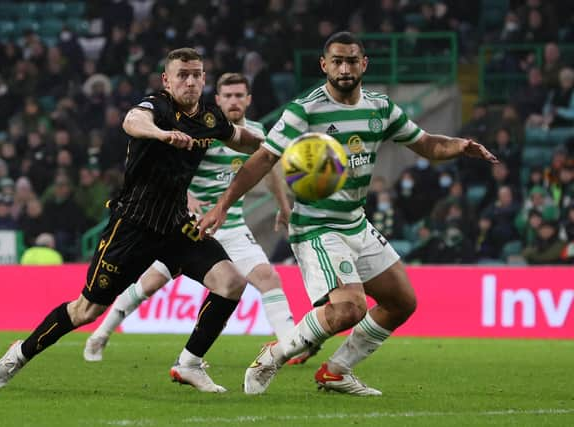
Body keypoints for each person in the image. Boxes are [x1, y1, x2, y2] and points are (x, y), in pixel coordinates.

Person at [199, 32, 498, 396]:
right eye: (337, 61)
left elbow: (425, 144)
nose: (344, 68)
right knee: (349, 309)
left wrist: (459, 146)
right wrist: (223, 205)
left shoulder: (380, 108)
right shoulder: (304, 111)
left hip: (356, 222)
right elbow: (263, 159)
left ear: (364, 64)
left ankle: (337, 370)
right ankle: (274, 354)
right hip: (315, 226)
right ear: (324, 65)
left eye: (352, 61)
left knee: (402, 303)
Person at [0, 48, 263, 393]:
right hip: (131, 226)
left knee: (232, 283)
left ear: (204, 78)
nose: (190, 81)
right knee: (86, 311)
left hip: (175, 224)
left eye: (196, 74)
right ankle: (19, 355)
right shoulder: (156, 106)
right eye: (182, 74)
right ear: (167, 79)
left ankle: (189, 364)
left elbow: (242, 140)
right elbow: (132, 120)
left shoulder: (209, 117)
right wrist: (161, 134)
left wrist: (277, 145)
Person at [83, 72, 317, 366]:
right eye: (228, 96)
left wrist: (284, 206)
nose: (234, 101)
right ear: (218, 99)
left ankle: (288, 345)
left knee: (268, 278)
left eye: (239, 95)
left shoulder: (255, 133)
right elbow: (175, 168)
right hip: (189, 224)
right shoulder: (206, 129)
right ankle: (101, 333)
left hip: (231, 226)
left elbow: (269, 170)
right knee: (150, 283)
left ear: (248, 99)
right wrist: (189, 200)